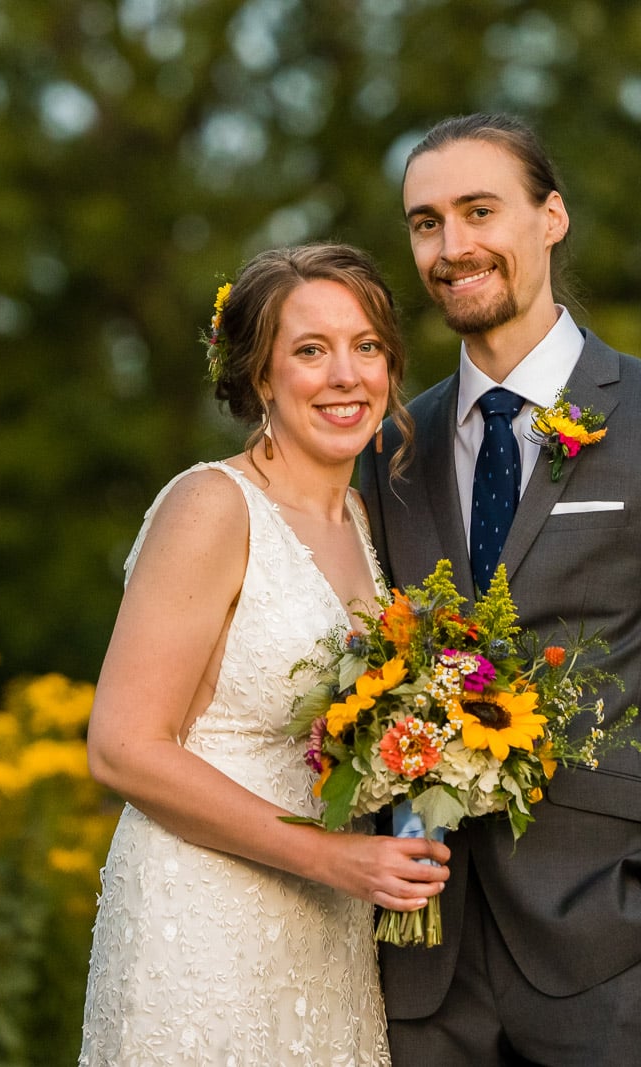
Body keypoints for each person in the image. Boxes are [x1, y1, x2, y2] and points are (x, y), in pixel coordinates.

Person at [360, 113, 641, 1064]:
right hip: (424, 967)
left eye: (478, 210)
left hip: (611, 956)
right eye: (426, 222)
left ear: (551, 217)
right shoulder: (389, 451)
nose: (452, 246)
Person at [80, 242, 450, 1065]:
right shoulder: (211, 506)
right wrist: (331, 854)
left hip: (328, 932)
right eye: (310, 351)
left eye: (367, 346)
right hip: (205, 922)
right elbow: (123, 746)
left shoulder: (360, 519)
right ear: (259, 377)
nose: (346, 375)